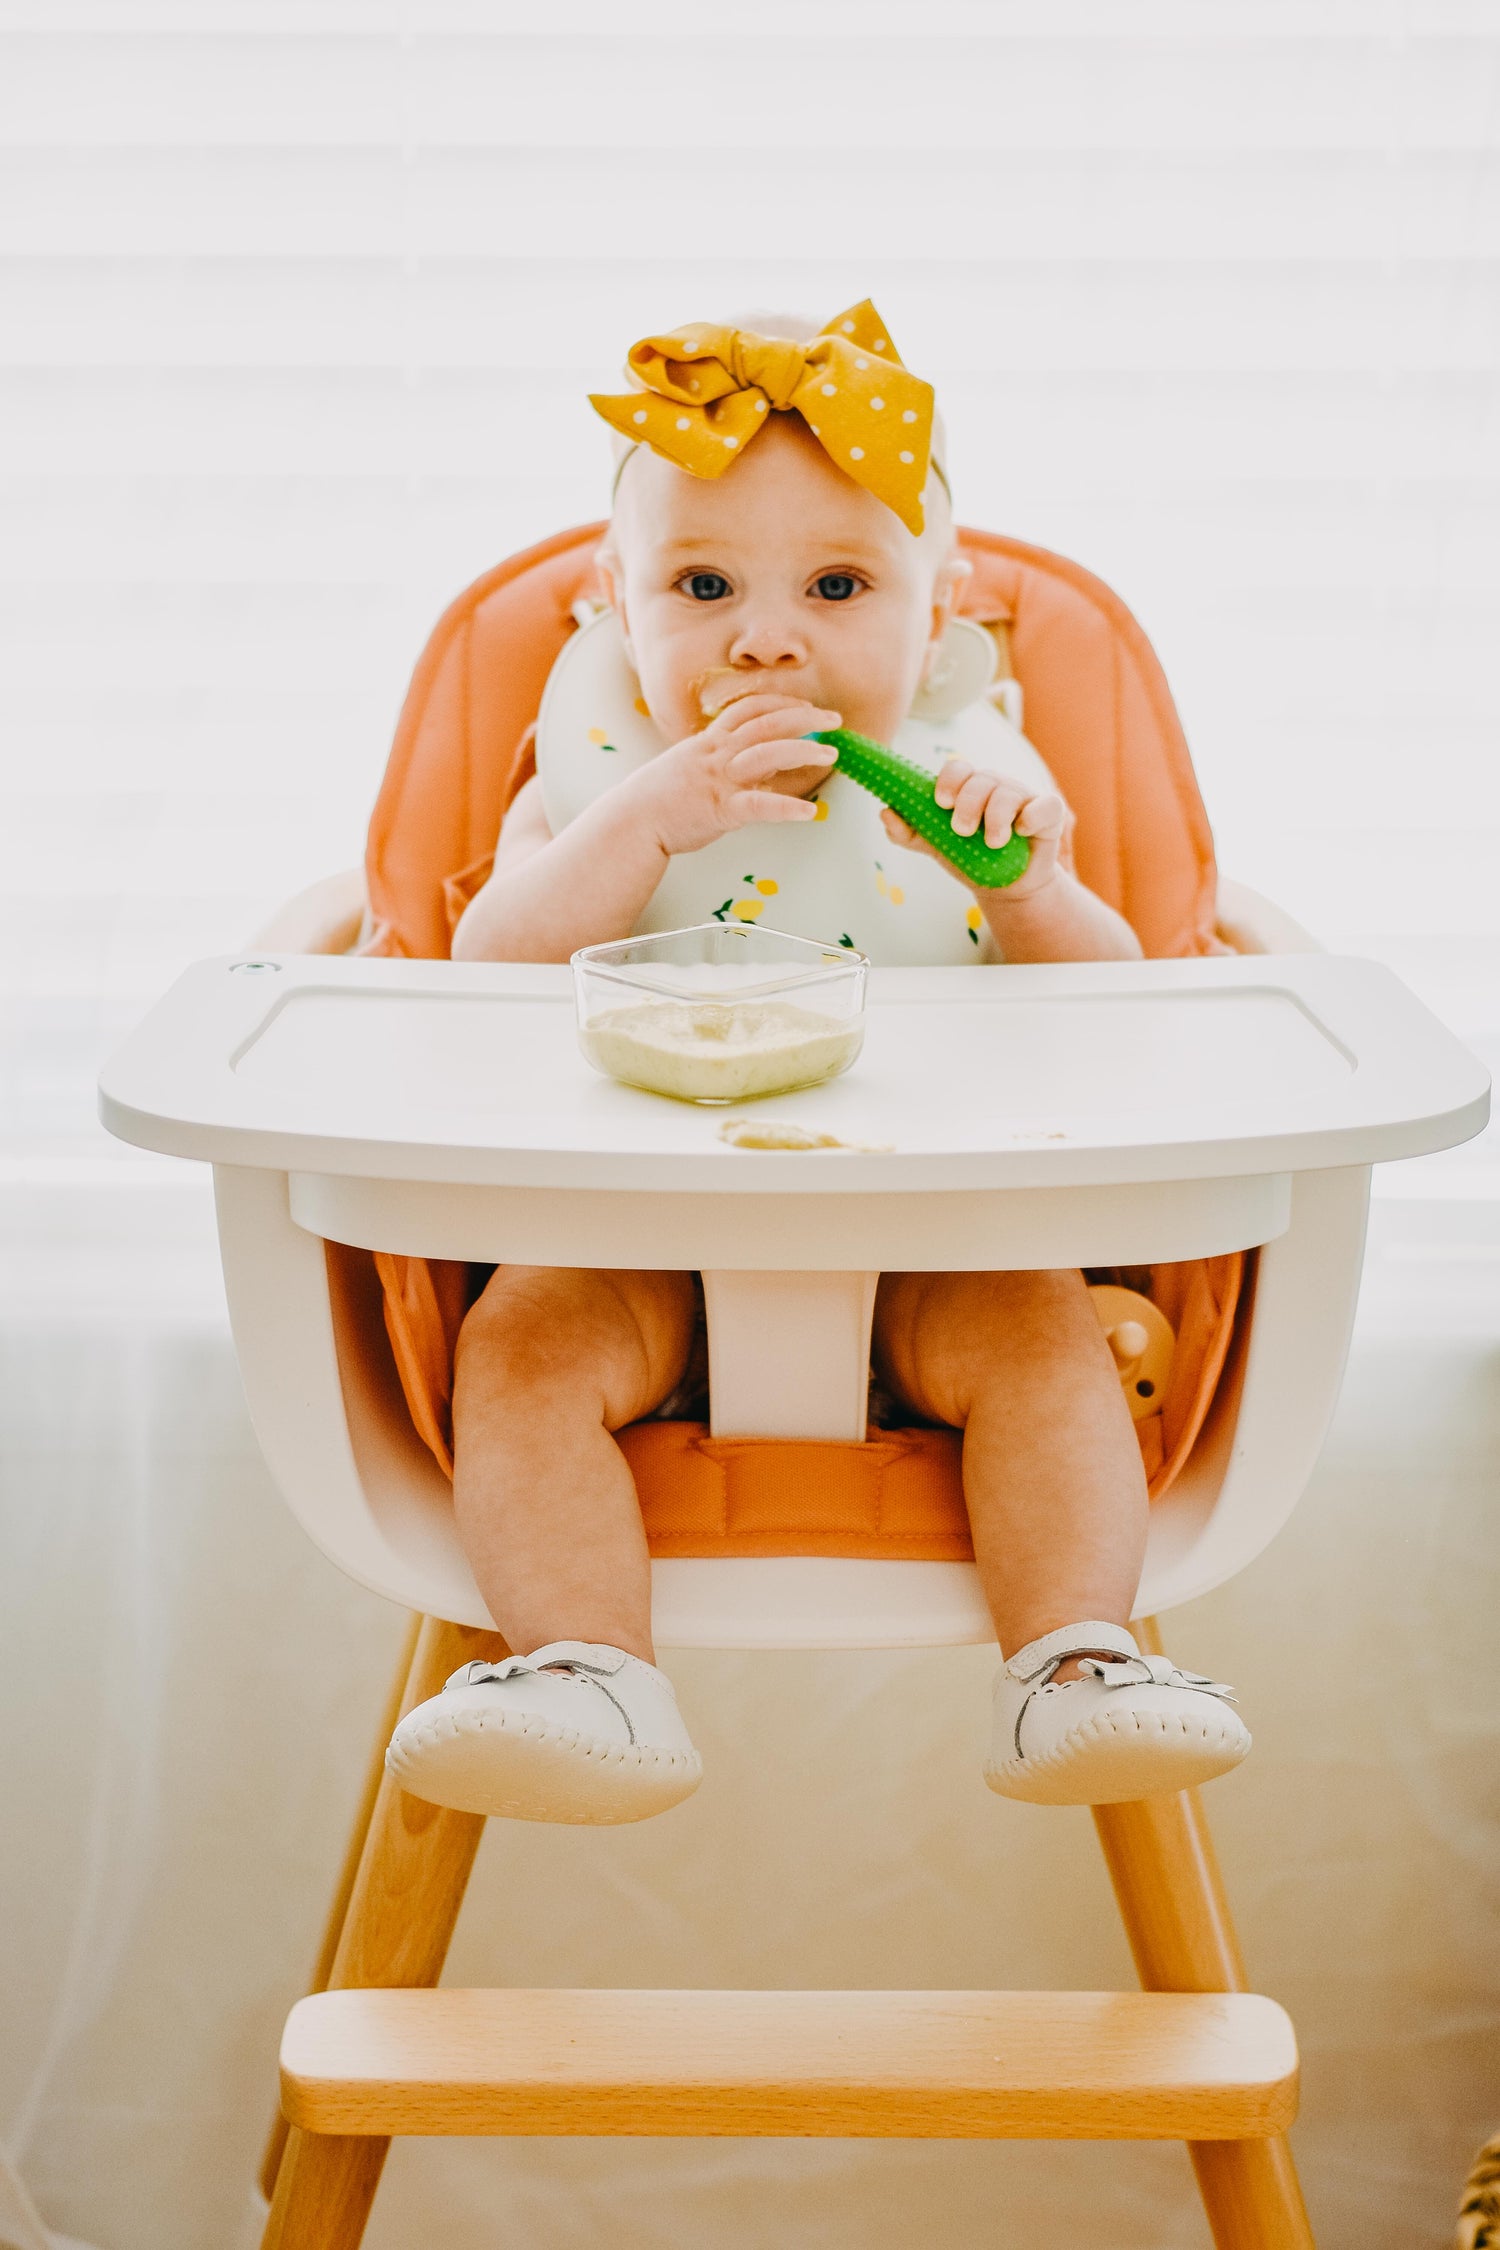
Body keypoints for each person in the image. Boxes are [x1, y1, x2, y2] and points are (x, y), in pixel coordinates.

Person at [387, 302, 1248, 1823]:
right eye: (702, 584)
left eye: (838, 584)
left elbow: (1124, 1010)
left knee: (1048, 1347)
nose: (767, 635)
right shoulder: (594, 769)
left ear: (939, 610)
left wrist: (1025, 887)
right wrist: (640, 826)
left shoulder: (982, 767)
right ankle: (590, 1674)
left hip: (939, 1254)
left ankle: (1070, 1667)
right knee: (515, 1356)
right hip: (631, 1253)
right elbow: (481, 977)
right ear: (611, 604)